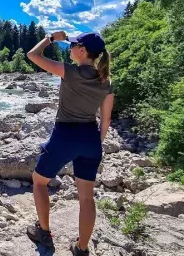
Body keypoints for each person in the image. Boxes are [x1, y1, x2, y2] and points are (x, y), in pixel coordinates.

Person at [25, 31, 114, 256]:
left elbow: (32, 55)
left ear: (82, 51)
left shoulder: (70, 71)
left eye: (73, 45)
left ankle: (44, 233)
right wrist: (95, 144)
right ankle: (81, 248)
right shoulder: (106, 81)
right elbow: (106, 120)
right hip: (91, 138)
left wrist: (50, 38)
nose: (70, 48)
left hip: (65, 134)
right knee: (86, 197)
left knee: (39, 181)